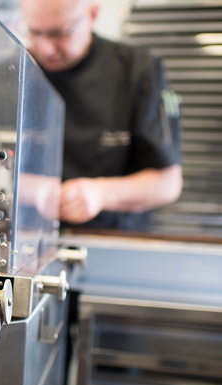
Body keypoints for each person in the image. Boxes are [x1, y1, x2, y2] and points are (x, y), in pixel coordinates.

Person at [21, 0, 183, 231]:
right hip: (25, 237)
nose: (45, 47)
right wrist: (35, 190)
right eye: (35, 32)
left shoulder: (139, 70)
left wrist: (100, 193)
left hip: (110, 237)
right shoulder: (9, 72)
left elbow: (167, 184)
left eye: (59, 33)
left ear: (93, 15)